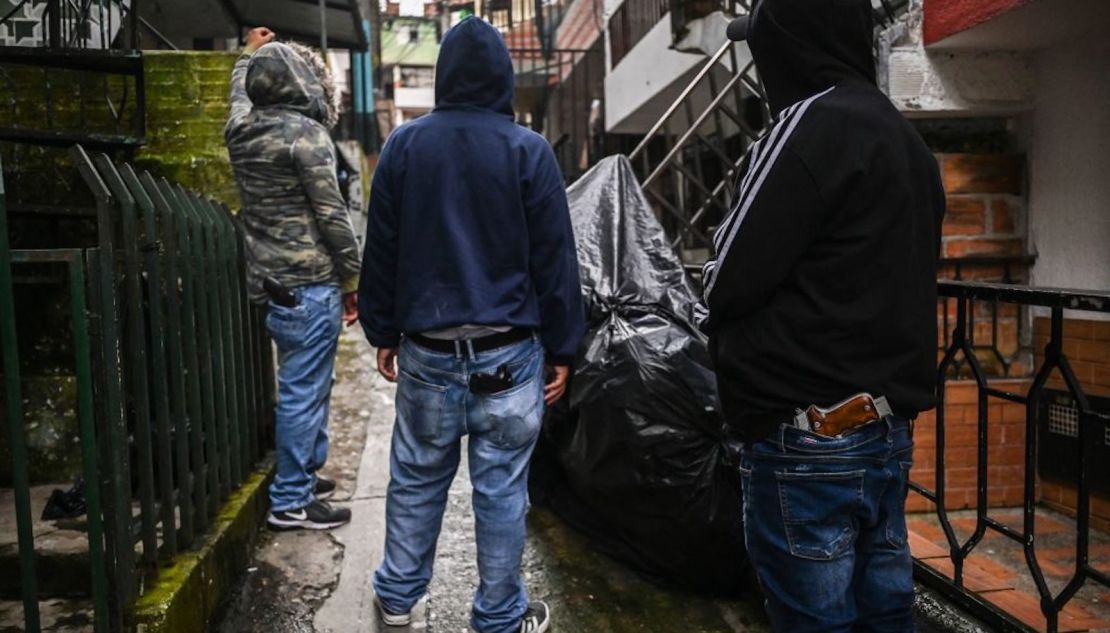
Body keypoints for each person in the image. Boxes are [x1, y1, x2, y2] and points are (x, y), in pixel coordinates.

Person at [697, 0, 945, 631]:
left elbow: (724, 277)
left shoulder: (810, 121)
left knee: (815, 618)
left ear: (790, 43)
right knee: (885, 609)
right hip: (883, 430)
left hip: (806, 433)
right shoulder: (905, 139)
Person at [359, 16, 584, 633]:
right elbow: (555, 260)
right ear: (504, 77)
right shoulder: (528, 150)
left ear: (444, 74)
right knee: (503, 488)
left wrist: (382, 330)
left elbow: (382, 247)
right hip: (510, 355)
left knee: (416, 476)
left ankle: (399, 596)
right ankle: (498, 616)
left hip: (428, 349)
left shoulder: (405, 146)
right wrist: (565, 347)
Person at [225, 27, 361, 531]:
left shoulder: (241, 130)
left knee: (305, 387)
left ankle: (303, 472)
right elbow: (333, 216)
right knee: (305, 391)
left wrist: (247, 56)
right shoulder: (309, 137)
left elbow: (238, 95)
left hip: (270, 284)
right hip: (311, 284)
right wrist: (353, 280)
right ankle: (292, 500)